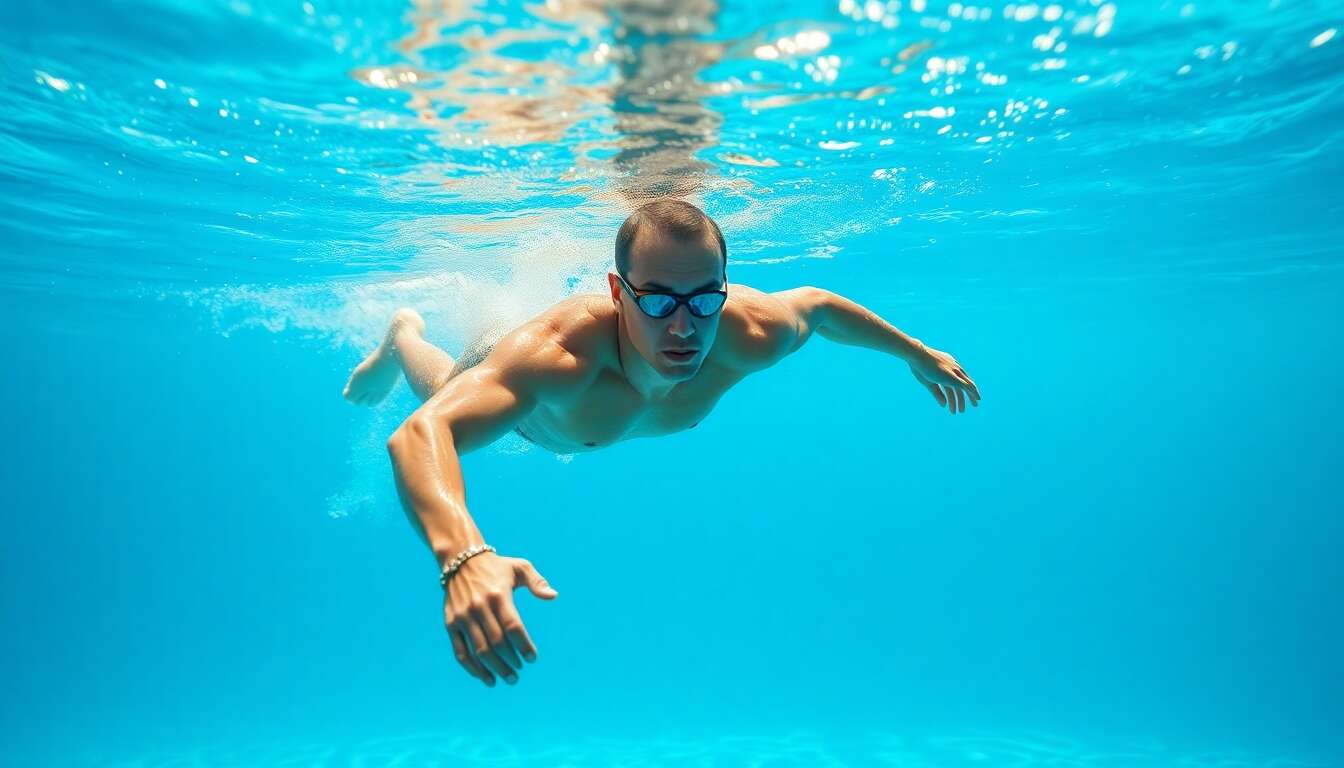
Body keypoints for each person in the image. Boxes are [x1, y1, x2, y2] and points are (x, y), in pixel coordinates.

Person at [342, 199, 981, 688]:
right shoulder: (557, 361)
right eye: (657, 301)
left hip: (575, 417)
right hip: (526, 402)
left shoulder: (749, 332)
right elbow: (421, 436)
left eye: (705, 298)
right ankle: (403, 335)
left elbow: (816, 305)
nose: (684, 327)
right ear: (618, 293)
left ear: (725, 288)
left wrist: (917, 354)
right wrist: (463, 555)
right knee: (438, 393)